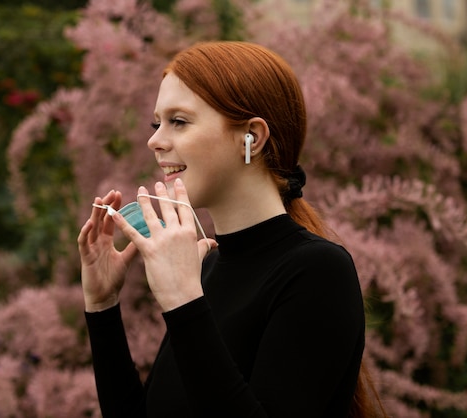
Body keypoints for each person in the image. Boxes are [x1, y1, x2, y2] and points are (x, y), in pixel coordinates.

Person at [77, 41, 386, 417]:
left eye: (179, 121)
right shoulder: (205, 269)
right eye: (157, 123)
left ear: (251, 138)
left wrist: (183, 302)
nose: (154, 140)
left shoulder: (317, 271)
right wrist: (102, 306)